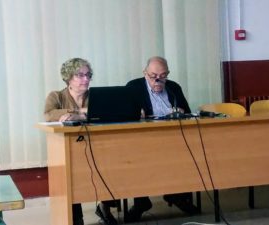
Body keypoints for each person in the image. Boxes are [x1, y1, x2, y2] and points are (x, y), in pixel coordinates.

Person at [44, 58, 119, 225]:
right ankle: (76, 218)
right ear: (68, 77)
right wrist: (81, 112)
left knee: (111, 167)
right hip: (69, 151)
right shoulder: (56, 96)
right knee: (73, 178)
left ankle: (105, 208)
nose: (86, 79)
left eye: (88, 75)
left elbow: (108, 112)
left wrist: (77, 113)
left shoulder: (96, 96)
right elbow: (49, 114)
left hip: (97, 146)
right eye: (80, 75)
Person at [125, 56, 198, 222]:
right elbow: (123, 114)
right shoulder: (133, 87)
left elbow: (187, 112)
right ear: (145, 73)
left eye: (163, 75)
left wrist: (180, 111)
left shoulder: (173, 87)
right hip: (141, 139)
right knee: (136, 159)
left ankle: (177, 195)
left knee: (187, 152)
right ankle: (141, 202)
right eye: (153, 76)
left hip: (172, 138)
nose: (158, 79)